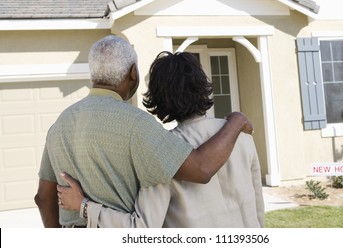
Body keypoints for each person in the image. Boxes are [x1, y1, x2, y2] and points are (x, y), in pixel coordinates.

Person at [34, 36, 252, 228]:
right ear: (133, 73)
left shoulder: (58, 126)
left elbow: (43, 198)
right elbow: (202, 168)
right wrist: (236, 120)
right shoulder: (136, 123)